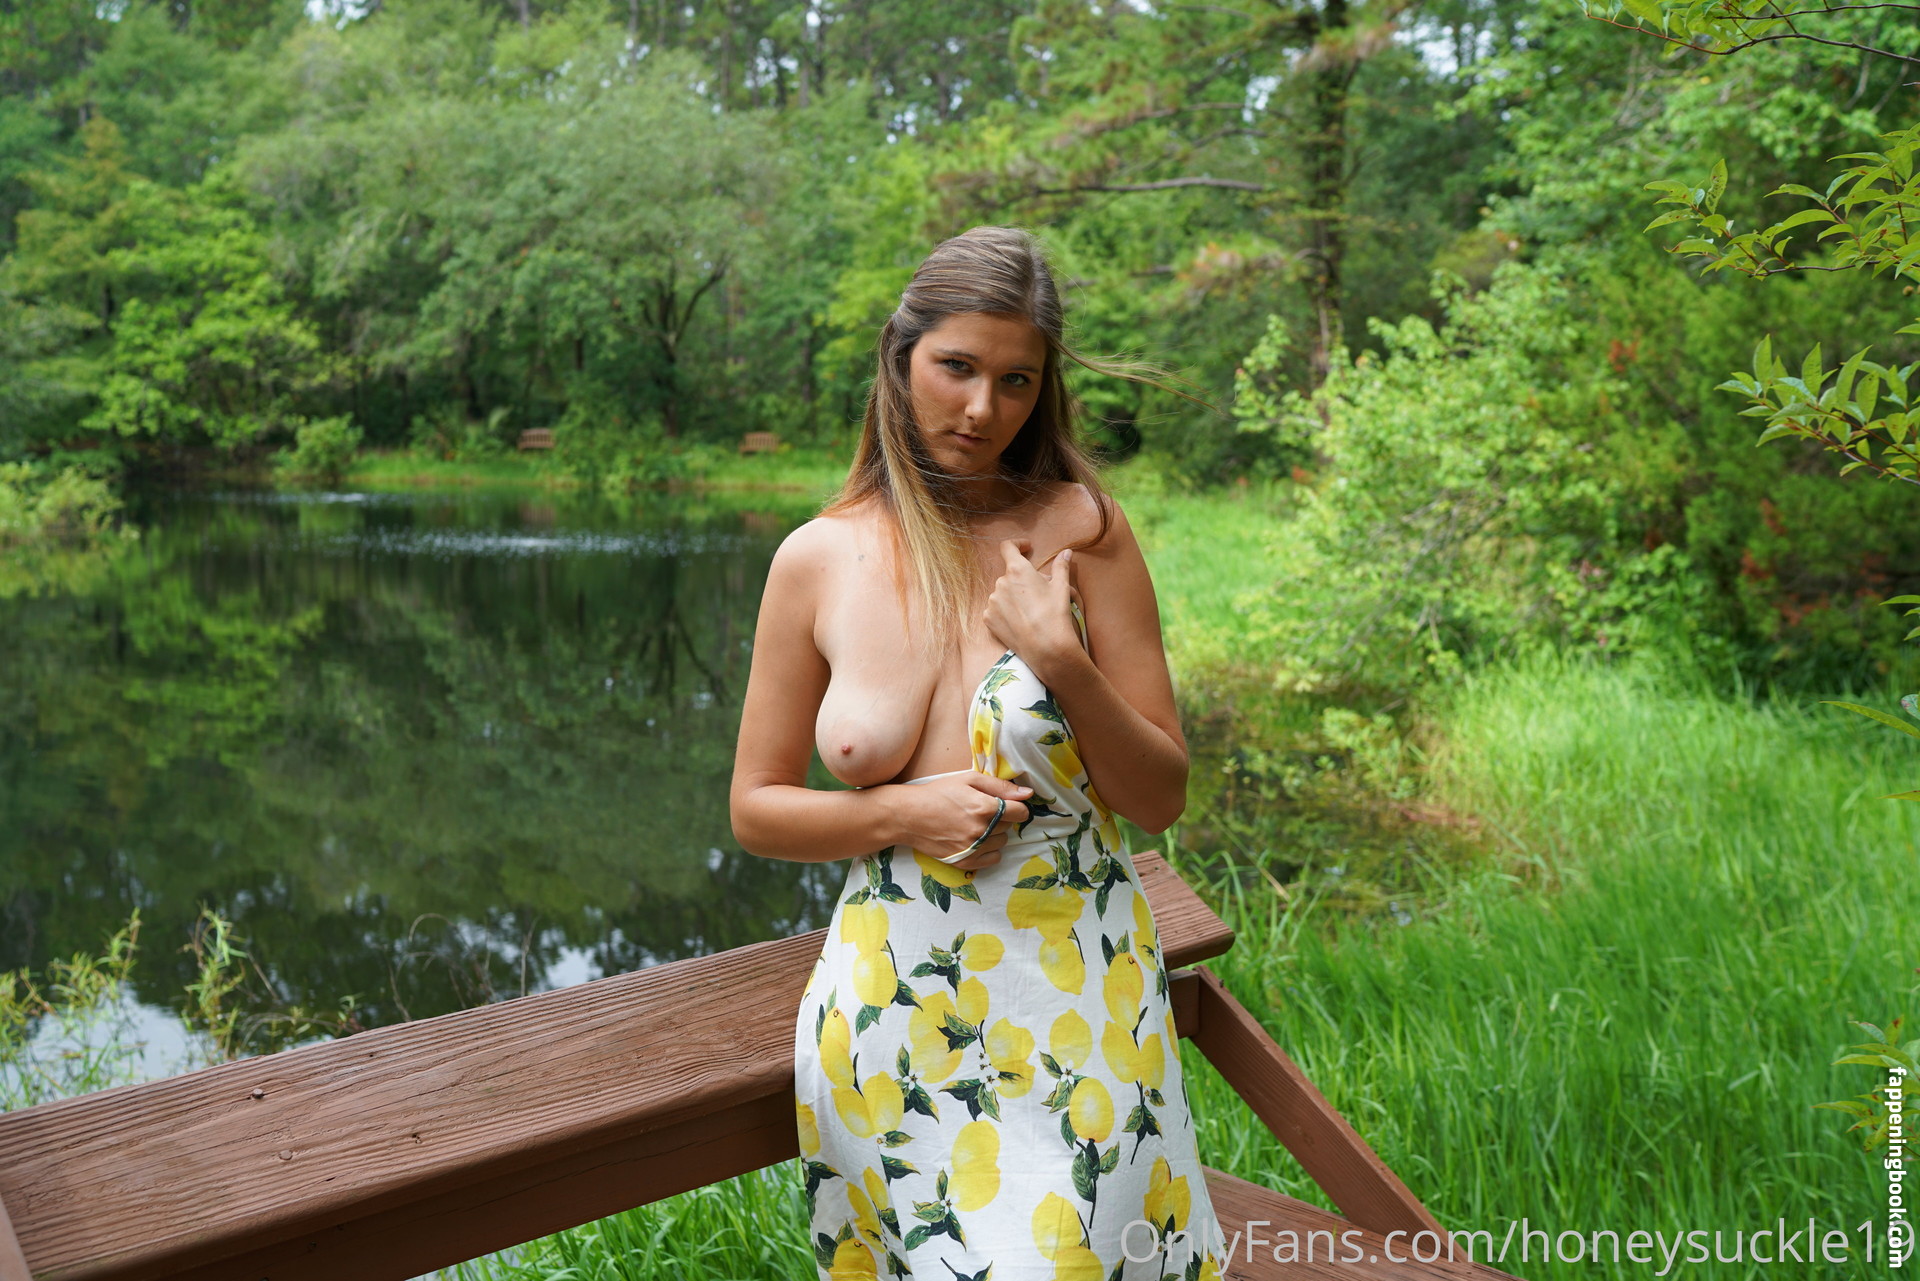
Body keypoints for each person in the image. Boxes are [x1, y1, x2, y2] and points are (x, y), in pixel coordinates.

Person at [730, 225, 1226, 1281]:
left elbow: (1160, 797)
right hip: (893, 1013)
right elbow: (756, 807)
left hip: (1080, 1000)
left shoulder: (1083, 530)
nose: (981, 409)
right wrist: (899, 813)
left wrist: (1062, 661)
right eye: (955, 367)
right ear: (900, 357)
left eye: (1015, 381)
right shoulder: (818, 557)